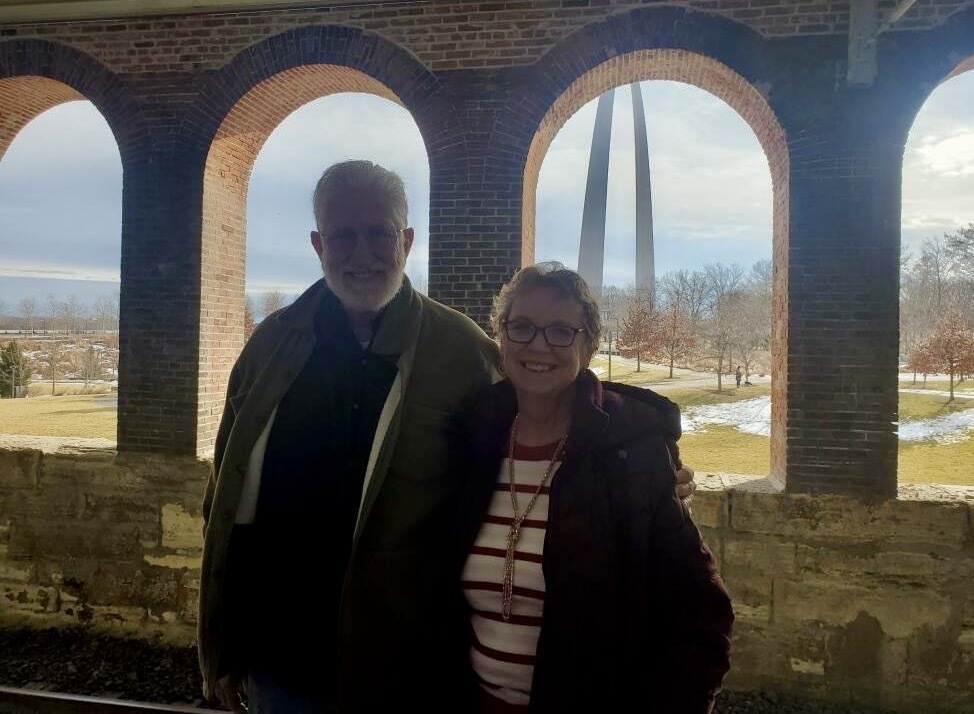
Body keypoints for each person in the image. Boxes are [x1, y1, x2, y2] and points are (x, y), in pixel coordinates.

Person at [198, 161, 698, 713]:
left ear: (407, 240)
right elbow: (225, 495)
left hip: (407, 666)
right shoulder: (270, 347)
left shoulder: (459, 349)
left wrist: (645, 467)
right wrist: (223, 640)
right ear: (318, 244)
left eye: (380, 234)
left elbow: (543, 401)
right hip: (282, 661)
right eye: (343, 236)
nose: (362, 254)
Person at [451, 263, 733, 713]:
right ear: (500, 336)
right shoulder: (472, 439)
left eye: (561, 331)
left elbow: (700, 611)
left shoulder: (630, 448)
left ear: (589, 345)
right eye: (521, 327)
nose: (538, 344)